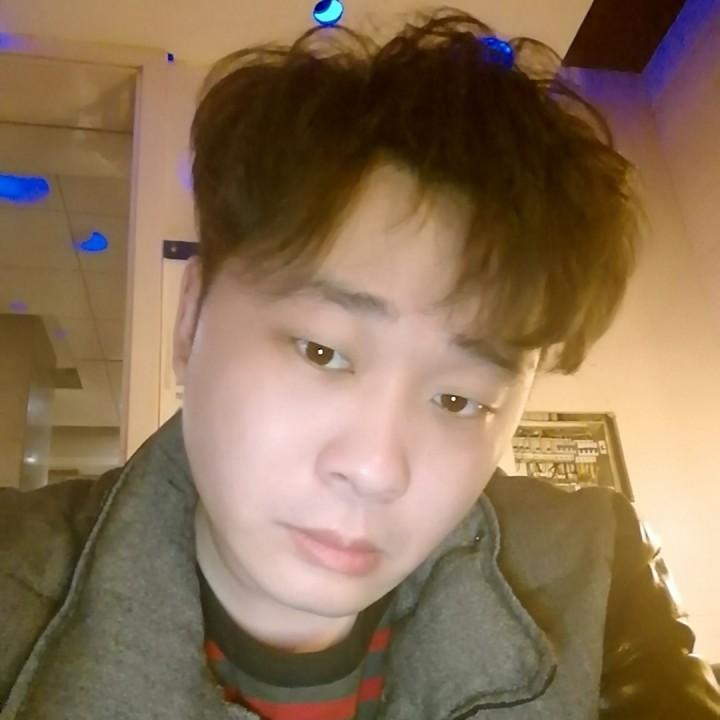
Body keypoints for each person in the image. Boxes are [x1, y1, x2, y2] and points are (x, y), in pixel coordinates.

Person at [1, 8, 719, 719]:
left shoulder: (598, 581)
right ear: (190, 321)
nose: (377, 470)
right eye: (322, 353)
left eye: (458, 400)